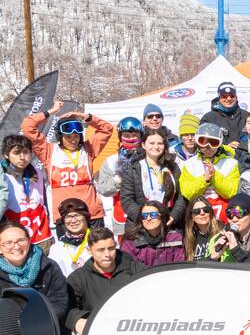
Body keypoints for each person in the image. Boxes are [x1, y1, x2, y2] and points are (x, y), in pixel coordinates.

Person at [21, 99, 113, 234]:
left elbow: (107, 129)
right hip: (65, 216)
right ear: (60, 136)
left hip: (92, 214)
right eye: (68, 136)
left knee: (97, 252)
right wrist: (51, 111)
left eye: (76, 136)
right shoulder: (48, 151)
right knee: (69, 254)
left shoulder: (88, 149)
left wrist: (82, 116)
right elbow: (27, 126)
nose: (73, 140)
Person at [0, 221, 71, 335]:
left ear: (29, 240)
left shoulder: (49, 267)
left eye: (20, 240)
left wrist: (35, 322)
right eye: (8, 243)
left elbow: (61, 302)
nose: (16, 246)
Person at [67, 227, 146, 335]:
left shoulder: (136, 269)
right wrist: (77, 320)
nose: (107, 254)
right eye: (100, 250)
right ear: (89, 250)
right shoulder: (78, 278)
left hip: (134, 330)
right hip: (98, 334)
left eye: (111, 248)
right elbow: (67, 307)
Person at [120, 129, 186, 229]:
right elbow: (127, 199)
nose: (156, 146)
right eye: (151, 143)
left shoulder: (173, 166)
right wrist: (143, 218)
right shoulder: (134, 168)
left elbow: (181, 196)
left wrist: (174, 216)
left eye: (160, 143)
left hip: (169, 223)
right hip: (142, 224)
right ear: (143, 145)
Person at [179, 123, 239, 222]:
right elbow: (187, 193)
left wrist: (214, 176)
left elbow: (232, 191)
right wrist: (205, 179)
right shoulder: (189, 164)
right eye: (203, 142)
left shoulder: (231, 163)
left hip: (224, 217)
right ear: (197, 142)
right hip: (200, 216)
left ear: (220, 143)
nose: (208, 147)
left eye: (213, 143)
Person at [95, 116, 144, 238]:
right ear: (120, 137)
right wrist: (118, 178)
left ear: (141, 136)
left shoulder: (149, 156)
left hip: (147, 210)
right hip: (122, 211)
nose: (131, 139)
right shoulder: (111, 160)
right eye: (126, 135)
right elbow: (104, 189)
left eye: (134, 135)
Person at [1, 135, 49, 248]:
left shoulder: (37, 173)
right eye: (17, 153)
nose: (22, 157)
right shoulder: (3, 176)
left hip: (41, 238)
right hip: (14, 241)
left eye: (26, 152)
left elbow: (44, 203)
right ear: (6, 155)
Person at [120, 201, 185, 268]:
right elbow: (127, 268)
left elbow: (179, 267)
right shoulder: (131, 242)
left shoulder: (176, 240)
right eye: (144, 216)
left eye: (153, 215)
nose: (148, 219)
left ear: (162, 216)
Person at [48, 199, 92, 276]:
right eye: (68, 217)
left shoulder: (97, 241)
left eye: (77, 215)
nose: (73, 220)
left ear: (86, 217)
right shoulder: (57, 248)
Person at [200, 82, 247, 148]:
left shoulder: (247, 116)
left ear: (236, 97)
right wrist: (225, 147)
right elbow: (204, 142)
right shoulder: (208, 118)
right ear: (219, 98)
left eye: (232, 95)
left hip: (244, 156)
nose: (228, 99)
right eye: (224, 96)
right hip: (220, 156)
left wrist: (241, 146)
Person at [182, 197, 220, 261]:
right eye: (197, 211)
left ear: (210, 212)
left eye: (206, 209)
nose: (202, 213)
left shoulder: (221, 231)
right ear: (192, 217)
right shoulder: (190, 239)